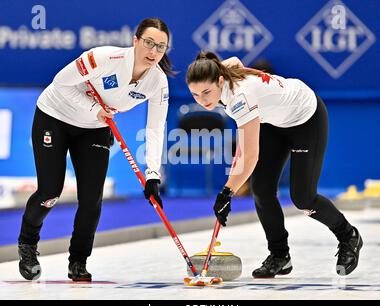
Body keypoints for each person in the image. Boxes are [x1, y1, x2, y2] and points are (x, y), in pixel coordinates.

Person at [17, 17, 172, 281]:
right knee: (50, 191)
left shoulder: (157, 82)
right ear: (135, 41)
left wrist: (153, 173)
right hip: (54, 116)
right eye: (148, 43)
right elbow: (60, 82)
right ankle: (27, 244)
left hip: (95, 127)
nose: (154, 51)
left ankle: (78, 261)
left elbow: (155, 128)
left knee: (92, 200)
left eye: (161, 47)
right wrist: (94, 109)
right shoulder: (103, 58)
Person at [186, 51, 363, 278]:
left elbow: (249, 157)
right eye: (195, 94)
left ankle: (348, 236)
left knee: (303, 198)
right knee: (261, 190)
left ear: (220, 81)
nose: (202, 100)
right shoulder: (222, 71)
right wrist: (229, 191)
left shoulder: (241, 98)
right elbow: (233, 61)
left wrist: (226, 193)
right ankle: (280, 255)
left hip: (306, 118)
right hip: (273, 121)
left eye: (206, 92)